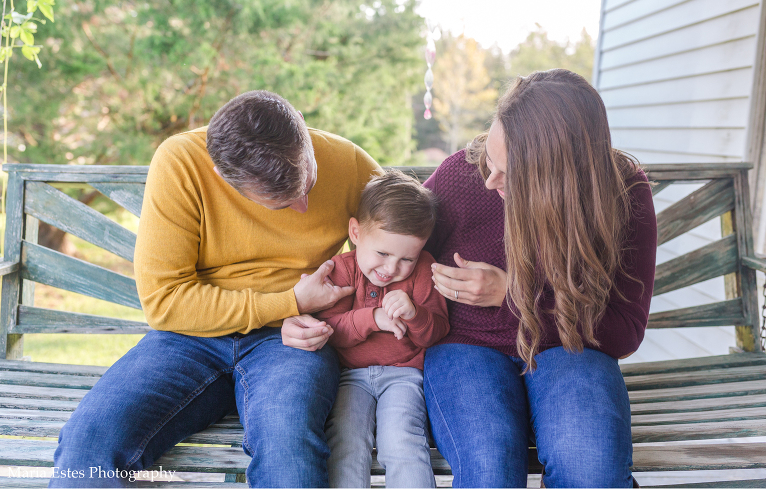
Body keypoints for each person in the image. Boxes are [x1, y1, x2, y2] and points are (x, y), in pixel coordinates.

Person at [50, 90, 382, 488]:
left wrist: (322, 315)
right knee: (86, 445)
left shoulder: (348, 161)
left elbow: (397, 257)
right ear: (222, 176)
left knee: (289, 451)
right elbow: (165, 302)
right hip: (188, 340)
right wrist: (288, 302)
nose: (304, 207)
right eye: (280, 203)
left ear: (301, 128)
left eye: (308, 181)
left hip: (292, 343)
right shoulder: (182, 162)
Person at [424, 69, 657, 488]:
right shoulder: (462, 176)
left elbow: (624, 331)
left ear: (558, 181)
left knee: (592, 471)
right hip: (466, 346)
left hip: (569, 347)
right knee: (489, 473)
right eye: (488, 161)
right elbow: (392, 255)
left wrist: (511, 296)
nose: (488, 179)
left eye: (506, 173)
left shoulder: (621, 193)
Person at [316, 171, 449, 488]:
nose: (391, 269)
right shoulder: (342, 270)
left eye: (406, 258)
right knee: (346, 441)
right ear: (356, 232)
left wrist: (415, 314)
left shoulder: (422, 270)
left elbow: (438, 331)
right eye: (383, 253)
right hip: (350, 376)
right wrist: (372, 318)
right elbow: (329, 330)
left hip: (404, 374)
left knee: (402, 440)